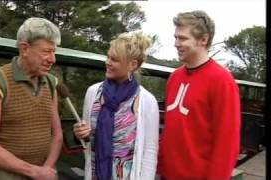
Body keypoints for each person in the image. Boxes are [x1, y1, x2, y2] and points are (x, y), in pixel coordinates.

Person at [158, 10, 241, 180]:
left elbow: (227, 144)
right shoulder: (175, 77)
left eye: (182, 38)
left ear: (203, 40)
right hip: (166, 175)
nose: (176, 43)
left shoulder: (222, 81)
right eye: (175, 37)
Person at [0, 17, 63, 180]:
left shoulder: (51, 82)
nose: (52, 59)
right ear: (25, 48)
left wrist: (47, 169)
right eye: (46, 51)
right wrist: (35, 172)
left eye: (54, 52)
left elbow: (57, 135)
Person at [73, 32, 159, 180]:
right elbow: (86, 140)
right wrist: (80, 135)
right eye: (108, 57)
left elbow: (150, 150)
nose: (107, 62)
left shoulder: (147, 101)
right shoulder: (93, 92)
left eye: (114, 59)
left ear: (132, 64)